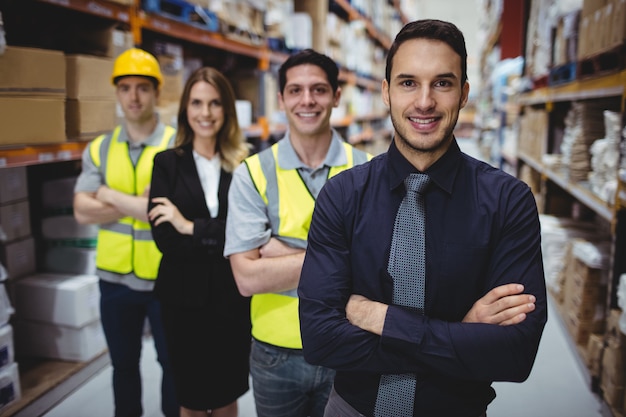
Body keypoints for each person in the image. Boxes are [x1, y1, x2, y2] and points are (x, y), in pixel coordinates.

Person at [298, 19, 548, 417]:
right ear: (386, 92)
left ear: (464, 93)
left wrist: (376, 316)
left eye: (443, 83)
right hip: (352, 408)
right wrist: (460, 332)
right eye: (408, 82)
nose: (425, 102)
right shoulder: (343, 196)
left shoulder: (507, 201)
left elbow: (515, 355)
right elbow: (320, 340)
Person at [224, 49, 372, 417]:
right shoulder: (253, 174)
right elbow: (245, 277)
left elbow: (378, 266)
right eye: (296, 90)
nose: (307, 101)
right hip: (276, 351)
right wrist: (342, 255)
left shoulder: (368, 171)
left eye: (319, 90)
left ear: (337, 96)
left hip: (349, 343)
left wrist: (278, 252)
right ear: (281, 99)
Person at [73, 48, 178, 417]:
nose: (133, 97)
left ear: (156, 93)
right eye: (126, 87)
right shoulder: (100, 149)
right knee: (123, 367)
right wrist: (140, 203)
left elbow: (177, 212)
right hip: (114, 281)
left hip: (166, 280)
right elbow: (80, 210)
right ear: (117, 93)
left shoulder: (175, 146)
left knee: (172, 366)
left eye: (143, 88)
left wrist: (106, 193)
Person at [147, 67, 251, 417]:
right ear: (185, 110)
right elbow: (165, 239)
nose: (205, 113)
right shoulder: (166, 165)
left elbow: (249, 232)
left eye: (215, 103)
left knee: (226, 394)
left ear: (227, 110)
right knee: (189, 397)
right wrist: (218, 235)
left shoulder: (244, 164)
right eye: (197, 103)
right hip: (182, 301)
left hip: (230, 299)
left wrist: (189, 226)